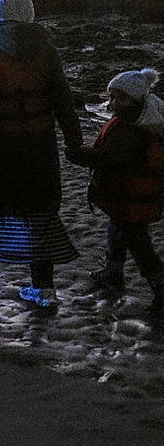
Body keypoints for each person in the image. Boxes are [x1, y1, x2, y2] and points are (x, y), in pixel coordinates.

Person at [0, 0, 83, 308]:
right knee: (39, 217)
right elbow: (64, 102)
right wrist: (74, 143)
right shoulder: (47, 50)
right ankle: (44, 289)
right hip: (39, 148)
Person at [65, 68, 164, 315]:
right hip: (130, 196)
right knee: (117, 231)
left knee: (139, 245)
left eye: (120, 98)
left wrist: (78, 155)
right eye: (111, 97)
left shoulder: (131, 129)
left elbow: (110, 159)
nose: (112, 103)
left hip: (131, 196)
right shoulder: (143, 122)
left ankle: (160, 288)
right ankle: (113, 272)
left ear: (137, 100)